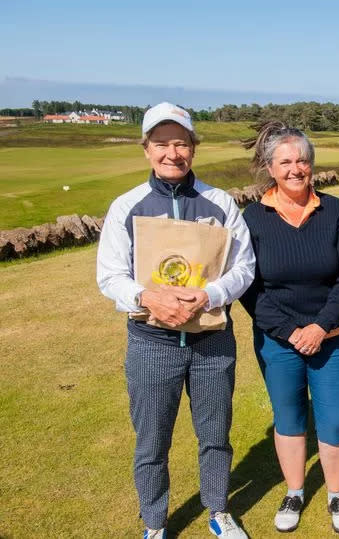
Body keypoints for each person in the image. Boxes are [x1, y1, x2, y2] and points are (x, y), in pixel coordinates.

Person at [97, 102, 255, 539]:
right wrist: (147, 297)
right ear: (146, 148)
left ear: (193, 149)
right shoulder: (126, 206)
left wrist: (209, 294)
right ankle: (154, 523)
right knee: (151, 442)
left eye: (181, 143)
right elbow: (109, 276)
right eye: (162, 143)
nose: (172, 152)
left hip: (211, 342)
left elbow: (244, 269)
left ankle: (218, 510)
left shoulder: (220, 202)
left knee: (215, 434)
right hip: (151, 342)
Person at [239, 122, 339, 535]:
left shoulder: (336, 211)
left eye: (303, 160)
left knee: (336, 420)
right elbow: (250, 286)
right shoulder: (253, 217)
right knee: (289, 417)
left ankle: (337, 493)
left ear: (312, 165)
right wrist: (293, 331)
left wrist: (321, 326)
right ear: (270, 168)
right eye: (286, 162)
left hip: (330, 338)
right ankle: (295, 490)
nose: (296, 169)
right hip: (278, 340)